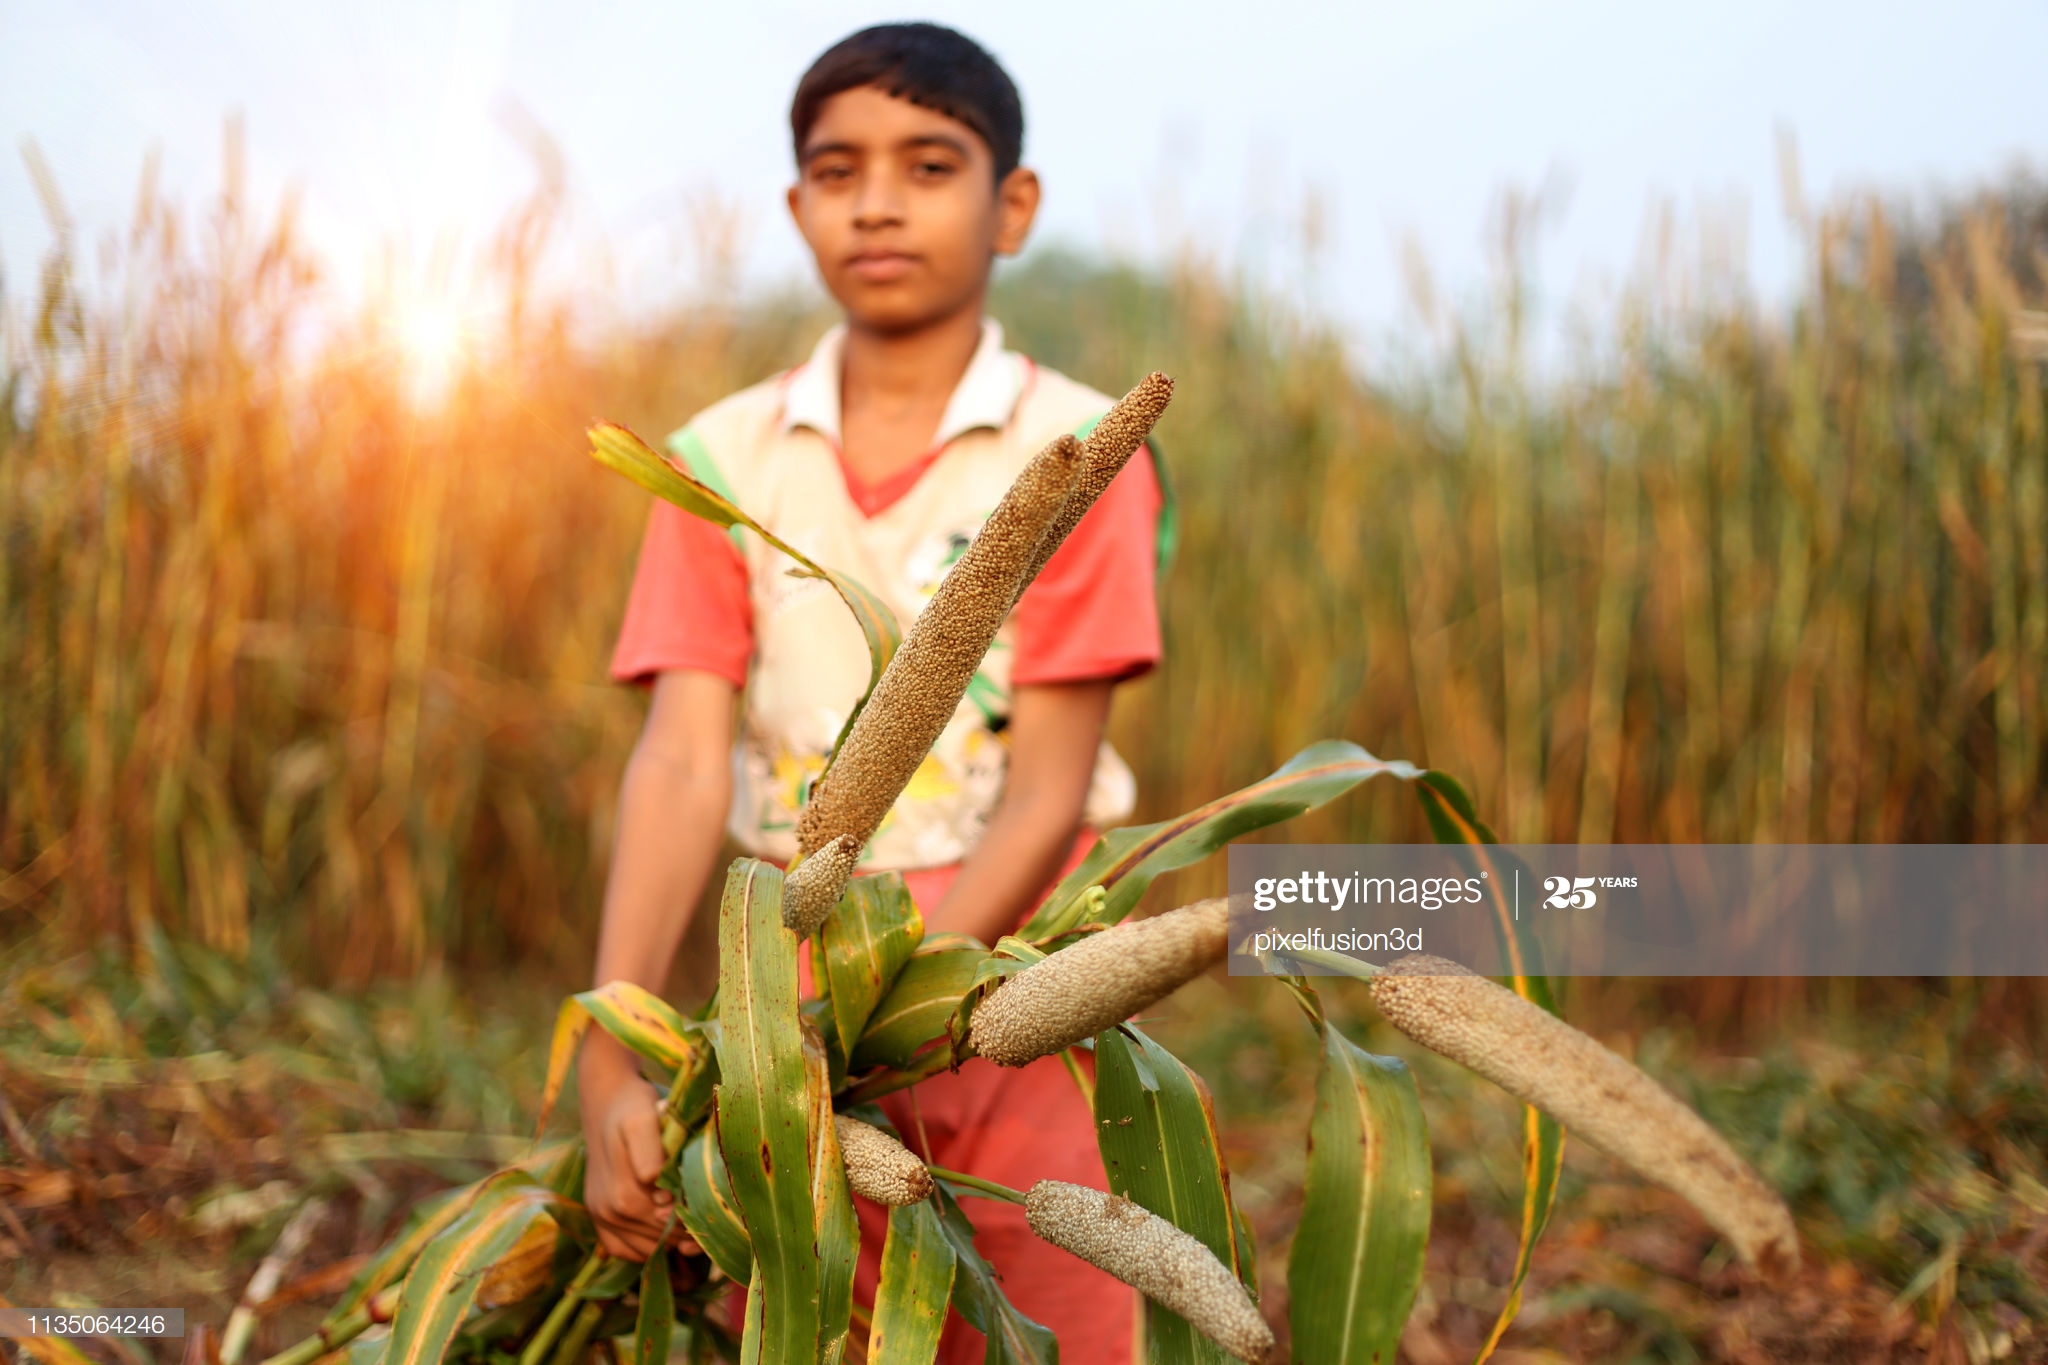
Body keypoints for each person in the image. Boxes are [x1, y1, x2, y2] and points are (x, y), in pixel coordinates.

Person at [579, 22, 1165, 1363]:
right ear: (798, 208)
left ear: (1013, 205)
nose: (879, 202)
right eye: (839, 171)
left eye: (930, 165)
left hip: (1018, 979)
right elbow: (681, 760)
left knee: (1042, 1308)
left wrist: (897, 1013)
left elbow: (1050, 787)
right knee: (810, 1314)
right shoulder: (718, 460)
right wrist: (609, 1046)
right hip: (788, 992)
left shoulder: (1081, 448)